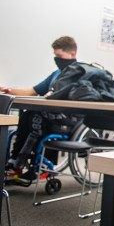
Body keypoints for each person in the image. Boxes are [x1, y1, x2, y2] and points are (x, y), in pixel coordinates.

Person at [1, 36, 79, 178]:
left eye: (59, 56)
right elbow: (33, 90)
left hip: (67, 119)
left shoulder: (80, 73)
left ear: (72, 54)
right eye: (55, 56)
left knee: (34, 117)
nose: (57, 59)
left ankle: (21, 163)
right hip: (49, 115)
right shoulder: (56, 73)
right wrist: (9, 90)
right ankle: (14, 161)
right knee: (27, 114)